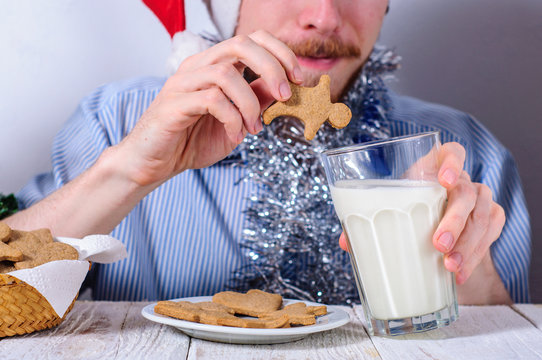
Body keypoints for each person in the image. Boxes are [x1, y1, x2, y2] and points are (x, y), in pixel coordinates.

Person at [4, 0, 530, 305]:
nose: (324, 16)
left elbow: (516, 345)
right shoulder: (115, 122)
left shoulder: (464, 155)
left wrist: (464, 265)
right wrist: (129, 171)